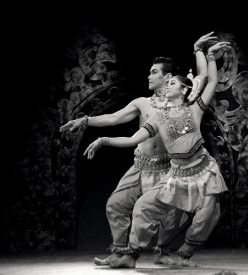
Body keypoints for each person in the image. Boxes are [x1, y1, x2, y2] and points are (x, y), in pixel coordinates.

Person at [60, 32, 217, 265]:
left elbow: (205, 78)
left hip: (170, 169)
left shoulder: (187, 106)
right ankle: (122, 254)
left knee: (171, 217)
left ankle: (162, 254)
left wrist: (201, 52)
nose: (149, 75)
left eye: (154, 72)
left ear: (169, 78)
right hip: (141, 165)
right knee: (116, 204)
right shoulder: (143, 104)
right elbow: (115, 119)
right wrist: (85, 121)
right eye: (150, 71)